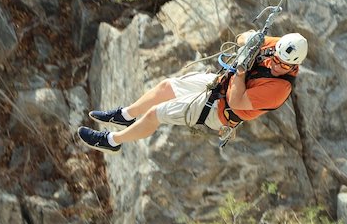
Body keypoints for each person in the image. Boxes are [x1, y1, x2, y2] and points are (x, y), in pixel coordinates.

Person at [77, 31, 308, 153]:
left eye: (284, 66)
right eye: (276, 60)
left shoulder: (279, 89)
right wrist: (250, 40)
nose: (277, 66)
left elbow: (235, 101)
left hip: (220, 111)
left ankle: (112, 141)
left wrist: (240, 71)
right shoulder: (277, 46)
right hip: (221, 84)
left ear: (293, 67)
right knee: (166, 86)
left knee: (156, 113)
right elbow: (240, 38)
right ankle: (124, 116)